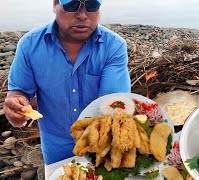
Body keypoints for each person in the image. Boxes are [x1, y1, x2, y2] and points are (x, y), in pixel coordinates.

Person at [3, 0, 131, 165]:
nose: (82, 15)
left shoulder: (114, 46)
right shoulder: (29, 45)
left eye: (92, 5)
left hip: (102, 144)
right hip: (56, 147)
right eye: (72, 5)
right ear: (55, 5)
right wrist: (17, 105)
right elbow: (19, 92)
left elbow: (113, 102)